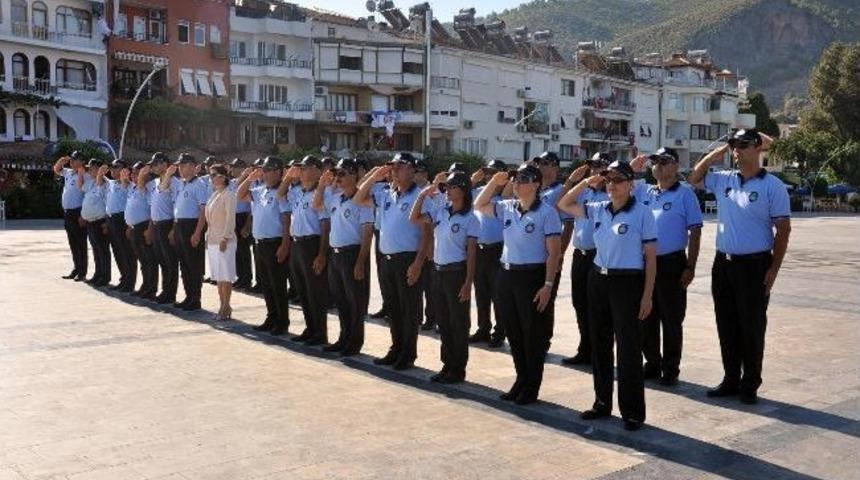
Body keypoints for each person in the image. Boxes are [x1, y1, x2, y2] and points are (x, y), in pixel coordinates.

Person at [687, 129, 790, 405]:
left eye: (742, 145)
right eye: (733, 145)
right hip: (724, 264)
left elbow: (783, 230)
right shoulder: (723, 180)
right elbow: (694, 177)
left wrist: (773, 270)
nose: (736, 150)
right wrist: (718, 151)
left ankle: (750, 383)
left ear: (758, 148)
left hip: (755, 265)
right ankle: (731, 377)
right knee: (726, 323)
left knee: (752, 326)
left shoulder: (773, 186)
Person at [558, 160, 657, 431]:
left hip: (628, 283)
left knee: (628, 349)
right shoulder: (598, 208)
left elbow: (650, 258)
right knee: (600, 345)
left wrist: (647, 295)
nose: (612, 185)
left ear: (631, 184)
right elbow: (564, 204)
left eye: (618, 180)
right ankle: (602, 402)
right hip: (598, 279)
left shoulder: (643, 213)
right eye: (608, 180)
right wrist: (586, 182)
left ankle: (633, 411)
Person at [474, 164, 561, 405]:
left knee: (532, 335)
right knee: (513, 333)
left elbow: (554, 253)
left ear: (535, 184)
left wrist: (548, 285)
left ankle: (531, 387)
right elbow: (478, 205)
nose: (516, 183)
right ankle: (521, 380)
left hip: (531, 277)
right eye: (514, 179)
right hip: (507, 274)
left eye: (521, 179)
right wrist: (495, 182)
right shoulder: (507, 207)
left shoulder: (547, 212)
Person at [629, 147, 702, 386]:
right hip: (646, 263)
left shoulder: (685, 194)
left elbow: (695, 231)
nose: (658, 165)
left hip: (672, 263)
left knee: (671, 319)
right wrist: (634, 168)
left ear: (676, 166)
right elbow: (623, 186)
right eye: (656, 162)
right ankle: (652, 363)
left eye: (664, 161)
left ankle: (670, 368)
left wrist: (690, 266)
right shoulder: (646, 192)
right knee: (645, 316)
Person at [355, 152, 430, 370]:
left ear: (412, 170)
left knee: (410, 309)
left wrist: (418, 263)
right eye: (393, 166)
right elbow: (358, 197)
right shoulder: (385, 193)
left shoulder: (421, 195)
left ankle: (408, 353)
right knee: (394, 309)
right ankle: (396, 348)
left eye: (400, 166)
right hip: (386, 259)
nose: (395, 170)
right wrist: (377, 174)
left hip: (408, 259)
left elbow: (427, 233)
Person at [410, 171, 478, 384]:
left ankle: (458, 369)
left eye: (450, 187)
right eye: (445, 187)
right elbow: (413, 218)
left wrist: (468, 283)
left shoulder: (470, 218)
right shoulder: (441, 211)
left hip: (457, 273)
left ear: (463, 190)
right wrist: (422, 196)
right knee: (444, 323)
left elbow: (472, 254)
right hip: (438, 271)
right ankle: (447, 365)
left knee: (458, 323)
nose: (446, 191)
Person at [312, 158, 374, 356]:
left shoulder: (363, 201)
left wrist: (361, 261)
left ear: (354, 175)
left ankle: (354, 343)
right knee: (341, 301)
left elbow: (367, 233)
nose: (337, 178)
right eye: (336, 174)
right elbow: (316, 205)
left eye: (342, 174)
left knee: (355, 302)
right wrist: (322, 185)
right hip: (335, 254)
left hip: (352, 253)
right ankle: (343, 337)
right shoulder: (336, 197)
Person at [560, 153, 610, 366]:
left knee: (598, 307)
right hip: (579, 255)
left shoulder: (611, 193)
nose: (594, 170)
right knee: (579, 303)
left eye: (599, 166)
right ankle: (585, 348)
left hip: (598, 256)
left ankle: (599, 350)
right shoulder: (584, 192)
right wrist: (573, 181)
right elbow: (560, 203)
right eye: (592, 166)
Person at [279, 155, 331, 345]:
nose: (301, 171)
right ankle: (310, 328)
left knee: (315, 291)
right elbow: (280, 194)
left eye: (305, 167)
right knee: (303, 289)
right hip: (297, 243)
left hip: (313, 243)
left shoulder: (322, 192)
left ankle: (320, 332)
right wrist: (287, 177)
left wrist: (322, 254)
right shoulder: (297, 191)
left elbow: (325, 224)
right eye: (300, 168)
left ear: (317, 171)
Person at [237, 156, 292, 335]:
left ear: (278, 172)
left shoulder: (282, 192)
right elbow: (239, 194)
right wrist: (250, 178)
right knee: (266, 284)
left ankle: (282, 321)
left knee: (277, 285)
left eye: (268, 170)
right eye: (264, 170)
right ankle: (271, 316)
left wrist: (285, 245)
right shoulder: (259, 189)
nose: (265, 173)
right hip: (260, 243)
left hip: (274, 242)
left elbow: (286, 220)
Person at [532, 151, 574, 351]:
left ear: (556, 167)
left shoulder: (560, 191)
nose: (541, 166)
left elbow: (568, 225)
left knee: (546, 301)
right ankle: (532, 336)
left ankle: (543, 341)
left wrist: (560, 255)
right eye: (539, 162)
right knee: (531, 298)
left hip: (550, 254)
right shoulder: (535, 189)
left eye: (546, 163)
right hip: (533, 255)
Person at [159, 153, 208, 311]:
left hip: (192, 226)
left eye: (182, 165)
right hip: (180, 225)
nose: (179, 168)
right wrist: (174, 229)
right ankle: (188, 296)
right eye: (179, 165)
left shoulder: (199, 184)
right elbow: (163, 189)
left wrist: (198, 232)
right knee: (184, 265)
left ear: (191, 166)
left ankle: (195, 299)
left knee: (193, 265)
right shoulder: (181, 184)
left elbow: (203, 210)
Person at [468, 159, 509, 348]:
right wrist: (471, 180)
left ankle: (500, 332)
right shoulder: (478, 192)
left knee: (497, 293)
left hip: (497, 249)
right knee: (481, 292)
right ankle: (483, 328)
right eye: (487, 172)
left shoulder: (507, 196)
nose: (488, 175)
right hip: (480, 249)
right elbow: (454, 195)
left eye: (493, 172)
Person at [140, 153, 178, 305]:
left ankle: (170, 293)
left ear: (164, 164)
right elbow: (141, 190)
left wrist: (174, 229)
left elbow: (176, 206)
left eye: (155, 164)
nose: (153, 167)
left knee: (170, 261)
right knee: (162, 260)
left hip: (167, 224)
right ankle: (164, 291)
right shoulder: (155, 182)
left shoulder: (174, 182)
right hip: (156, 225)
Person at [205, 165, 237, 321]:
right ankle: (222, 304)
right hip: (212, 239)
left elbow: (231, 219)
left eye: (214, 175)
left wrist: (226, 237)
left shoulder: (229, 195)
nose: (211, 178)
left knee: (225, 275)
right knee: (218, 276)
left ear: (223, 177)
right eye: (210, 175)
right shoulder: (214, 194)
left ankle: (226, 305)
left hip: (225, 240)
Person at [52, 151, 88, 281]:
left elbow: (86, 195)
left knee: (80, 243)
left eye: (75, 160)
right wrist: (61, 161)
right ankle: (76, 268)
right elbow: (56, 169)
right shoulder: (68, 172)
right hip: (68, 212)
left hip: (78, 212)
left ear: (82, 161)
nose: (71, 162)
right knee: (72, 242)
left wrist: (83, 215)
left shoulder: (85, 174)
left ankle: (82, 271)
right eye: (71, 160)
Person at [125, 161, 158, 299]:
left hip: (144, 227)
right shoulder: (133, 187)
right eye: (132, 173)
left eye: (137, 172)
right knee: (142, 260)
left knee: (149, 260)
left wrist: (150, 230)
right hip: (134, 228)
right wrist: (129, 226)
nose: (133, 175)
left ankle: (151, 289)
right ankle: (145, 286)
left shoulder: (150, 187)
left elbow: (152, 210)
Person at [79, 159, 111, 287]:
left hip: (100, 221)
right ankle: (98, 274)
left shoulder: (105, 183)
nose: (89, 171)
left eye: (92, 168)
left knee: (103, 250)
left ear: (99, 169)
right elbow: (80, 187)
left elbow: (109, 204)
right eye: (89, 169)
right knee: (96, 250)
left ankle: (105, 276)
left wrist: (107, 223)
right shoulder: (90, 182)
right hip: (91, 222)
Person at [104, 159, 135, 292]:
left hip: (121, 220)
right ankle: (124, 278)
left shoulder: (128, 185)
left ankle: (129, 281)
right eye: (112, 167)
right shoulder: (111, 183)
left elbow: (126, 185)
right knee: (117, 251)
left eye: (116, 167)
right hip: (111, 219)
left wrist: (125, 177)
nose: (113, 169)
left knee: (126, 252)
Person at [414, 158, 436, 332]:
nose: (415, 175)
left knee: (430, 286)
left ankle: (431, 317)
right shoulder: (412, 192)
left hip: (427, 245)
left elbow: (434, 222)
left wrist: (431, 246)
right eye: (414, 172)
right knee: (416, 285)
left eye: (419, 172)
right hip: (412, 247)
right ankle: (418, 316)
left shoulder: (433, 193)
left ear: (425, 174)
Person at [230, 158, 254, 290]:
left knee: (244, 250)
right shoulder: (233, 182)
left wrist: (247, 224)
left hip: (243, 217)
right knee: (236, 250)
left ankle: (247, 278)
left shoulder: (249, 183)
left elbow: (251, 207)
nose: (232, 169)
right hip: (233, 217)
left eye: (235, 167)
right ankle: (240, 277)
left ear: (242, 168)